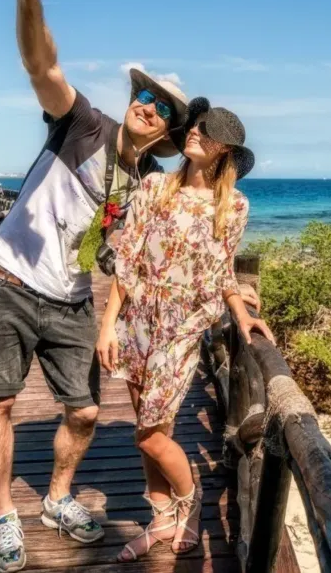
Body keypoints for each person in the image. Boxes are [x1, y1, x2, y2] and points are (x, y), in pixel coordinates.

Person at [0, 0, 188, 573]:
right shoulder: (85, 124)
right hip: (8, 277)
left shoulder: (146, 178)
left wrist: (226, 294)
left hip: (69, 297)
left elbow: (133, 253)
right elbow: (44, 68)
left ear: (168, 134)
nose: (146, 104)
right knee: (0, 405)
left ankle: (57, 499)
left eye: (161, 108)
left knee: (87, 410)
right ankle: (6, 515)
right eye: (144, 95)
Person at [95, 98, 274, 561]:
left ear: (223, 153)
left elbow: (221, 271)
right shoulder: (155, 186)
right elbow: (128, 261)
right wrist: (107, 327)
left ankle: (189, 502)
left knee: (150, 435)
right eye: (195, 125)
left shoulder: (232, 205)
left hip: (181, 331)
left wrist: (241, 314)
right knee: (149, 427)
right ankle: (162, 520)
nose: (194, 132)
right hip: (138, 324)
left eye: (207, 131)